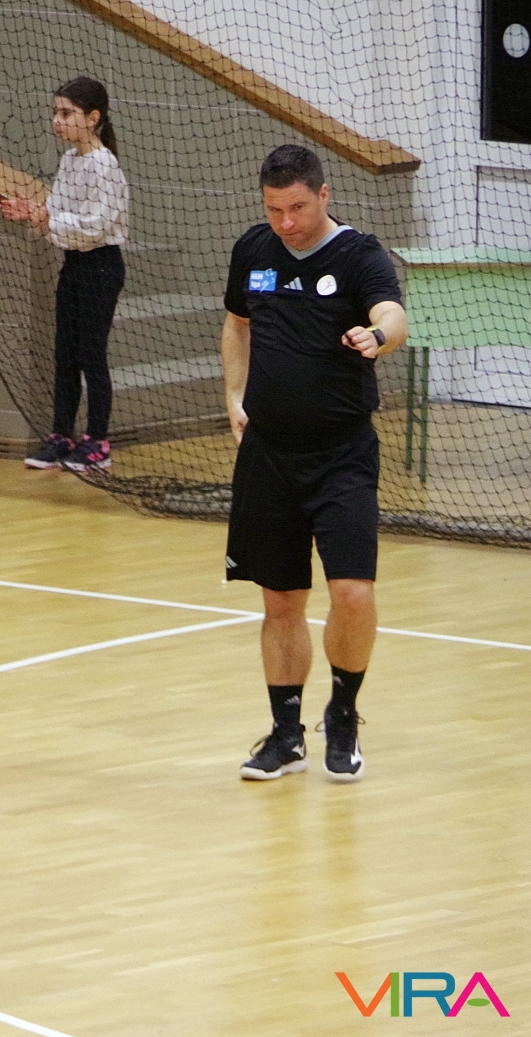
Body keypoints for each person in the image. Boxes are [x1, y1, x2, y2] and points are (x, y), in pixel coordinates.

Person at [220, 144, 407, 784]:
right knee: (281, 602)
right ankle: (286, 734)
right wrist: (234, 395)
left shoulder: (358, 255)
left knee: (352, 593)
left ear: (323, 195)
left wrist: (375, 336)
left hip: (341, 455)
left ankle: (344, 715)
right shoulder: (254, 249)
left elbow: (394, 315)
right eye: (274, 209)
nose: (286, 222)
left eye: (297, 207)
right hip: (269, 456)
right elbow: (237, 323)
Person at [1, 76, 130, 472]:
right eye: (55, 112)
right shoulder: (70, 160)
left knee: (92, 354)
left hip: (101, 266)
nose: (57, 120)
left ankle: (98, 442)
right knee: (65, 354)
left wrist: (51, 220)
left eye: (67, 113)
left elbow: (96, 226)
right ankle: (61, 435)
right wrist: (36, 215)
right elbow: (57, 214)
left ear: (93, 118)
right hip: (74, 264)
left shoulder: (104, 165)